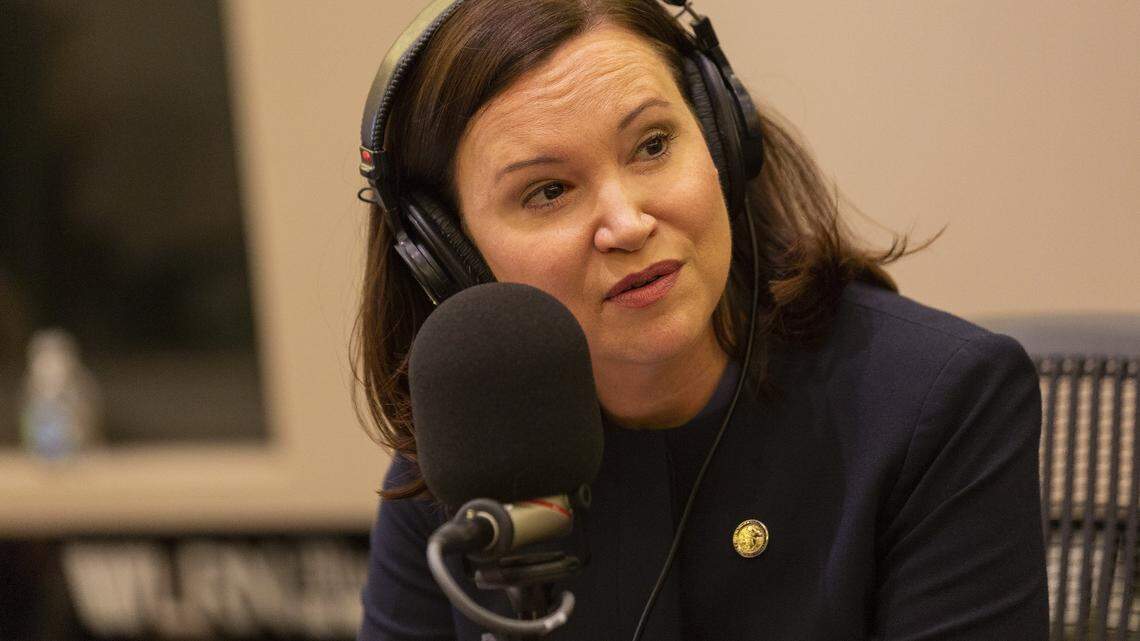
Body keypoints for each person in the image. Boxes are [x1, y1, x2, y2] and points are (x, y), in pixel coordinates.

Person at [351, 1, 1048, 639]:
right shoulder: (471, 454)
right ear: (449, 255)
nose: (626, 223)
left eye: (652, 145)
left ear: (720, 136)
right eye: (549, 190)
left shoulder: (938, 404)